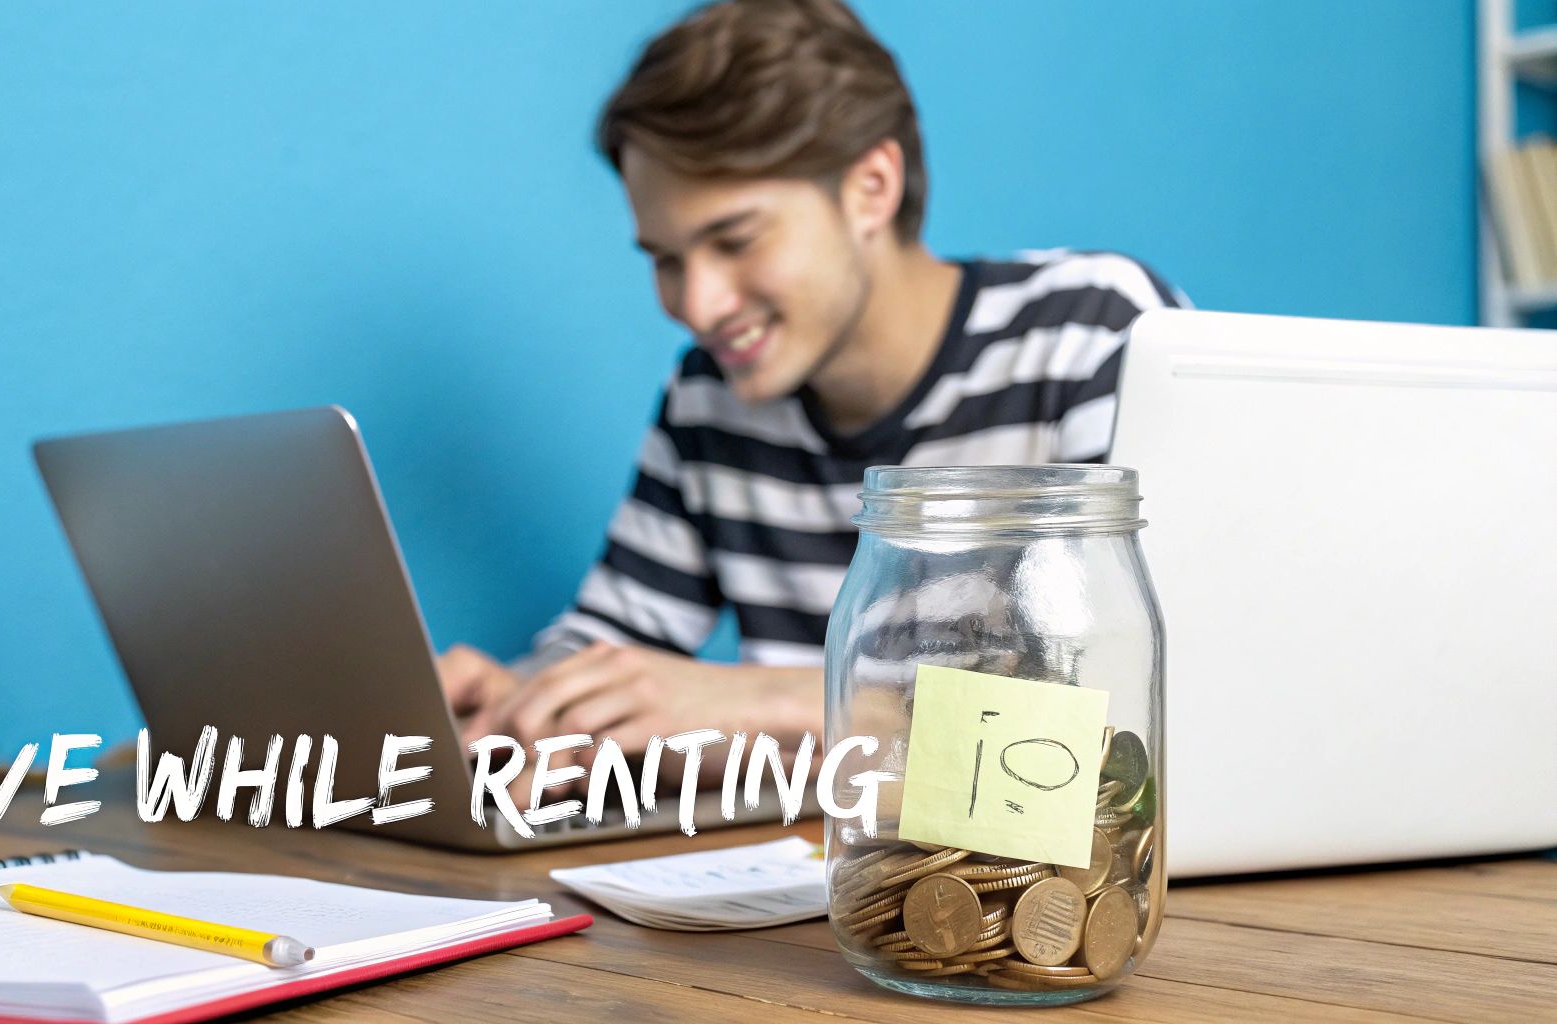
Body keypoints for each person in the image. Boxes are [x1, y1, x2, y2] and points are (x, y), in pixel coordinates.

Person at [439, 0, 1186, 780]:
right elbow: (623, 642)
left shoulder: (1091, 334)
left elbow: (1125, 710)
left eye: (735, 240)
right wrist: (518, 699)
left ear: (871, 186)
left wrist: (765, 699)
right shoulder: (711, 396)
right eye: (665, 258)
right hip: (832, 864)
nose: (699, 306)